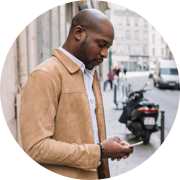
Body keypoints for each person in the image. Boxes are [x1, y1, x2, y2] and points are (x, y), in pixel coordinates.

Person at [20, 9, 133, 180]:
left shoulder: (89, 73)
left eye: (108, 47)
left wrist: (107, 145)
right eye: (101, 44)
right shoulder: (45, 75)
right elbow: (36, 147)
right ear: (78, 33)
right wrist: (100, 150)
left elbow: (80, 133)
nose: (104, 54)